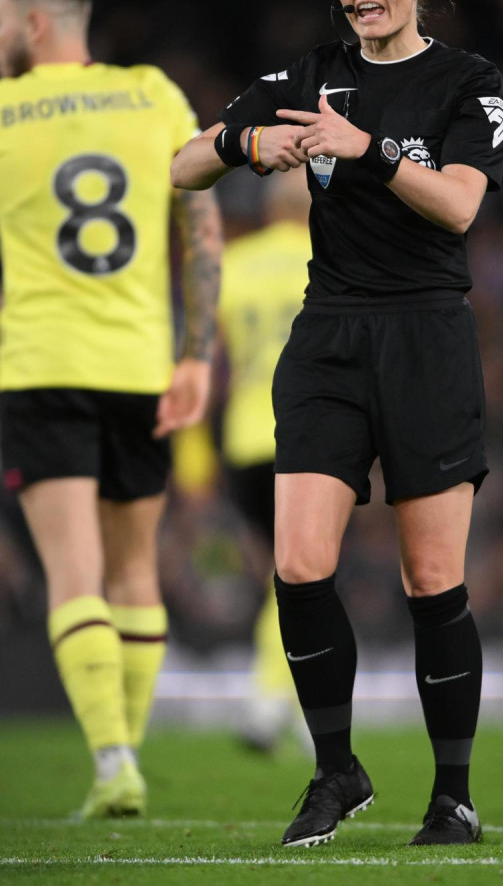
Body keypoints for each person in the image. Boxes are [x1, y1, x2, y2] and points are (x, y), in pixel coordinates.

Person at [172, 0, 503, 848]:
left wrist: (360, 149)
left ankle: (451, 792)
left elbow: (456, 204)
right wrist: (247, 140)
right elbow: (179, 165)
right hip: (327, 336)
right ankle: (336, 770)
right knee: (296, 559)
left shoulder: (468, 84)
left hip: (425, 338)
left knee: (431, 579)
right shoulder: (311, 73)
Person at [0, 0, 221, 818]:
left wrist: (8, 329)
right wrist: (195, 353)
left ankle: (112, 763)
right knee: (135, 571)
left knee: (75, 574)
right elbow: (202, 230)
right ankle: (127, 751)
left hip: (45, 368)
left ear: (34, 25)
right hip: (143, 366)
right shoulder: (154, 94)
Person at [217, 169, 312, 752]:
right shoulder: (330, 257)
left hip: (244, 438)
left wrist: (194, 457)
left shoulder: (233, 264)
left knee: (288, 573)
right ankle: (266, 696)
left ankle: (302, 708)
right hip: (306, 434)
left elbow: (210, 357)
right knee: (298, 575)